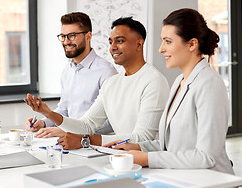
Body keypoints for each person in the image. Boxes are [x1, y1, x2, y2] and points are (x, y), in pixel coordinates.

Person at [104, 8, 235, 182]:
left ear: (192, 44)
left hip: (211, 184)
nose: (161, 49)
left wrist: (146, 159)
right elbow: (171, 146)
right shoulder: (180, 81)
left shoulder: (210, 84)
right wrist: (136, 147)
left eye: (168, 42)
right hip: (181, 178)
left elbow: (206, 156)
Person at [24, 17, 169, 149]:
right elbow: (87, 125)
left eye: (120, 41)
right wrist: (47, 113)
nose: (112, 47)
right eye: (111, 42)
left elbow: (143, 138)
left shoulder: (154, 81)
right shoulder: (112, 83)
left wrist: (85, 140)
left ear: (139, 44)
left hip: (148, 161)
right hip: (120, 156)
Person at [25, 12, 117, 138]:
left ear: (88, 36)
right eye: (63, 36)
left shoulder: (106, 72)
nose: (66, 41)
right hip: (70, 141)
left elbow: (112, 121)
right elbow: (64, 109)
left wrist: (71, 131)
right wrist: (44, 123)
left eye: (72, 36)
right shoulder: (67, 71)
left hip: (95, 145)